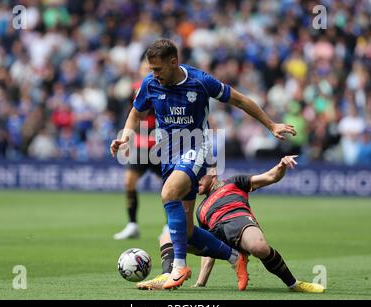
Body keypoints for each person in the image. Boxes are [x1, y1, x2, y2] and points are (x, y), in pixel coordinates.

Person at [110, 39, 296, 290]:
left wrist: (271, 124)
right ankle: (235, 257)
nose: (154, 74)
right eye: (151, 69)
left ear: (173, 62)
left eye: (158, 69)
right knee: (185, 232)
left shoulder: (200, 81)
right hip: (167, 154)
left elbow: (240, 100)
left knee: (168, 193)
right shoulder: (150, 83)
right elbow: (136, 113)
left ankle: (177, 268)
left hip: (195, 147)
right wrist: (125, 136)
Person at [140, 155, 324, 293]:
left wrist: (281, 165)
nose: (196, 182)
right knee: (167, 236)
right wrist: (201, 283)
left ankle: (294, 283)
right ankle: (167, 274)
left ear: (212, 172)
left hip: (239, 223)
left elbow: (270, 177)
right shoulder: (200, 208)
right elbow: (208, 248)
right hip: (220, 238)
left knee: (258, 247)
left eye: (199, 177)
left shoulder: (234, 182)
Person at [113, 55, 167, 240]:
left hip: (161, 145)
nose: (147, 72)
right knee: (129, 183)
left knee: (168, 188)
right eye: (144, 69)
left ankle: (169, 226)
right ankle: (132, 224)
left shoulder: (164, 88)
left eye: (149, 69)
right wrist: (125, 138)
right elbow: (130, 115)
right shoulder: (135, 90)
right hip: (141, 145)